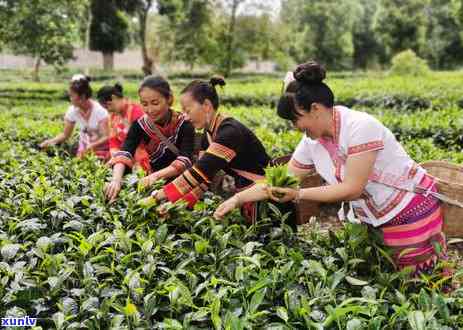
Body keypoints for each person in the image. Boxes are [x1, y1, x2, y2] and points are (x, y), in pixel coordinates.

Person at [214, 61, 448, 275]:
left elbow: (352, 188)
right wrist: (237, 199)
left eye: (296, 119)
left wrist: (299, 194)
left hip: (409, 208)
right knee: (391, 280)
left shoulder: (360, 127)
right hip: (374, 217)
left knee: (423, 282)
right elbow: (280, 180)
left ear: (315, 108)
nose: (295, 127)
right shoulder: (311, 142)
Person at [148, 76, 293, 225]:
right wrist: (176, 205)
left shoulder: (230, 132)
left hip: (270, 200)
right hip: (249, 198)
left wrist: (155, 198)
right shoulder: (207, 135)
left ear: (206, 105)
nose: (185, 117)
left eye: (187, 110)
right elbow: (204, 180)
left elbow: (197, 173)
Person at [104, 75, 195, 202]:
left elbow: (185, 160)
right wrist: (116, 181)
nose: (150, 110)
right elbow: (125, 152)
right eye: (144, 104)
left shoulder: (184, 124)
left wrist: (155, 176)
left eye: (155, 103)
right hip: (155, 184)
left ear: (169, 99)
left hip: (183, 183)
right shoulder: (140, 125)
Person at [39, 74, 110, 159]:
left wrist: (91, 146)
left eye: (72, 96)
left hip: (103, 149)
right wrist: (49, 142)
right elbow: (65, 134)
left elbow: (106, 136)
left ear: (82, 96)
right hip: (85, 148)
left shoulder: (100, 110)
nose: (70, 99)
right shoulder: (72, 111)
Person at [97, 83, 151, 173]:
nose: (109, 110)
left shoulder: (136, 111)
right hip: (124, 157)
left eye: (109, 105)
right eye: (106, 108)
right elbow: (113, 141)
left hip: (142, 156)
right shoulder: (113, 117)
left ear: (114, 98)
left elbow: (145, 140)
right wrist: (115, 158)